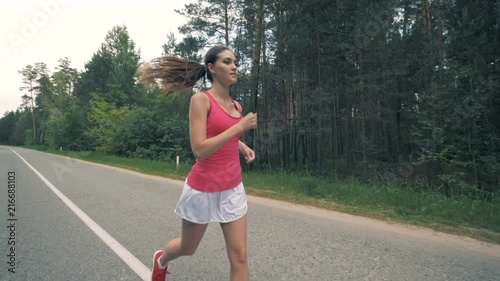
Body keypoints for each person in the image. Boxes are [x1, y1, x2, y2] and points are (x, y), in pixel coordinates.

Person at [138, 45, 258, 281]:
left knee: (240, 256)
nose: (234, 66)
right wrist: (240, 127)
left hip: (232, 188)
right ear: (212, 68)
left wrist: (242, 144)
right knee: (188, 248)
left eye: (235, 62)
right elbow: (200, 149)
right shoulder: (201, 101)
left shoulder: (236, 106)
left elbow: (226, 136)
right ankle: (161, 260)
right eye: (227, 62)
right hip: (203, 189)